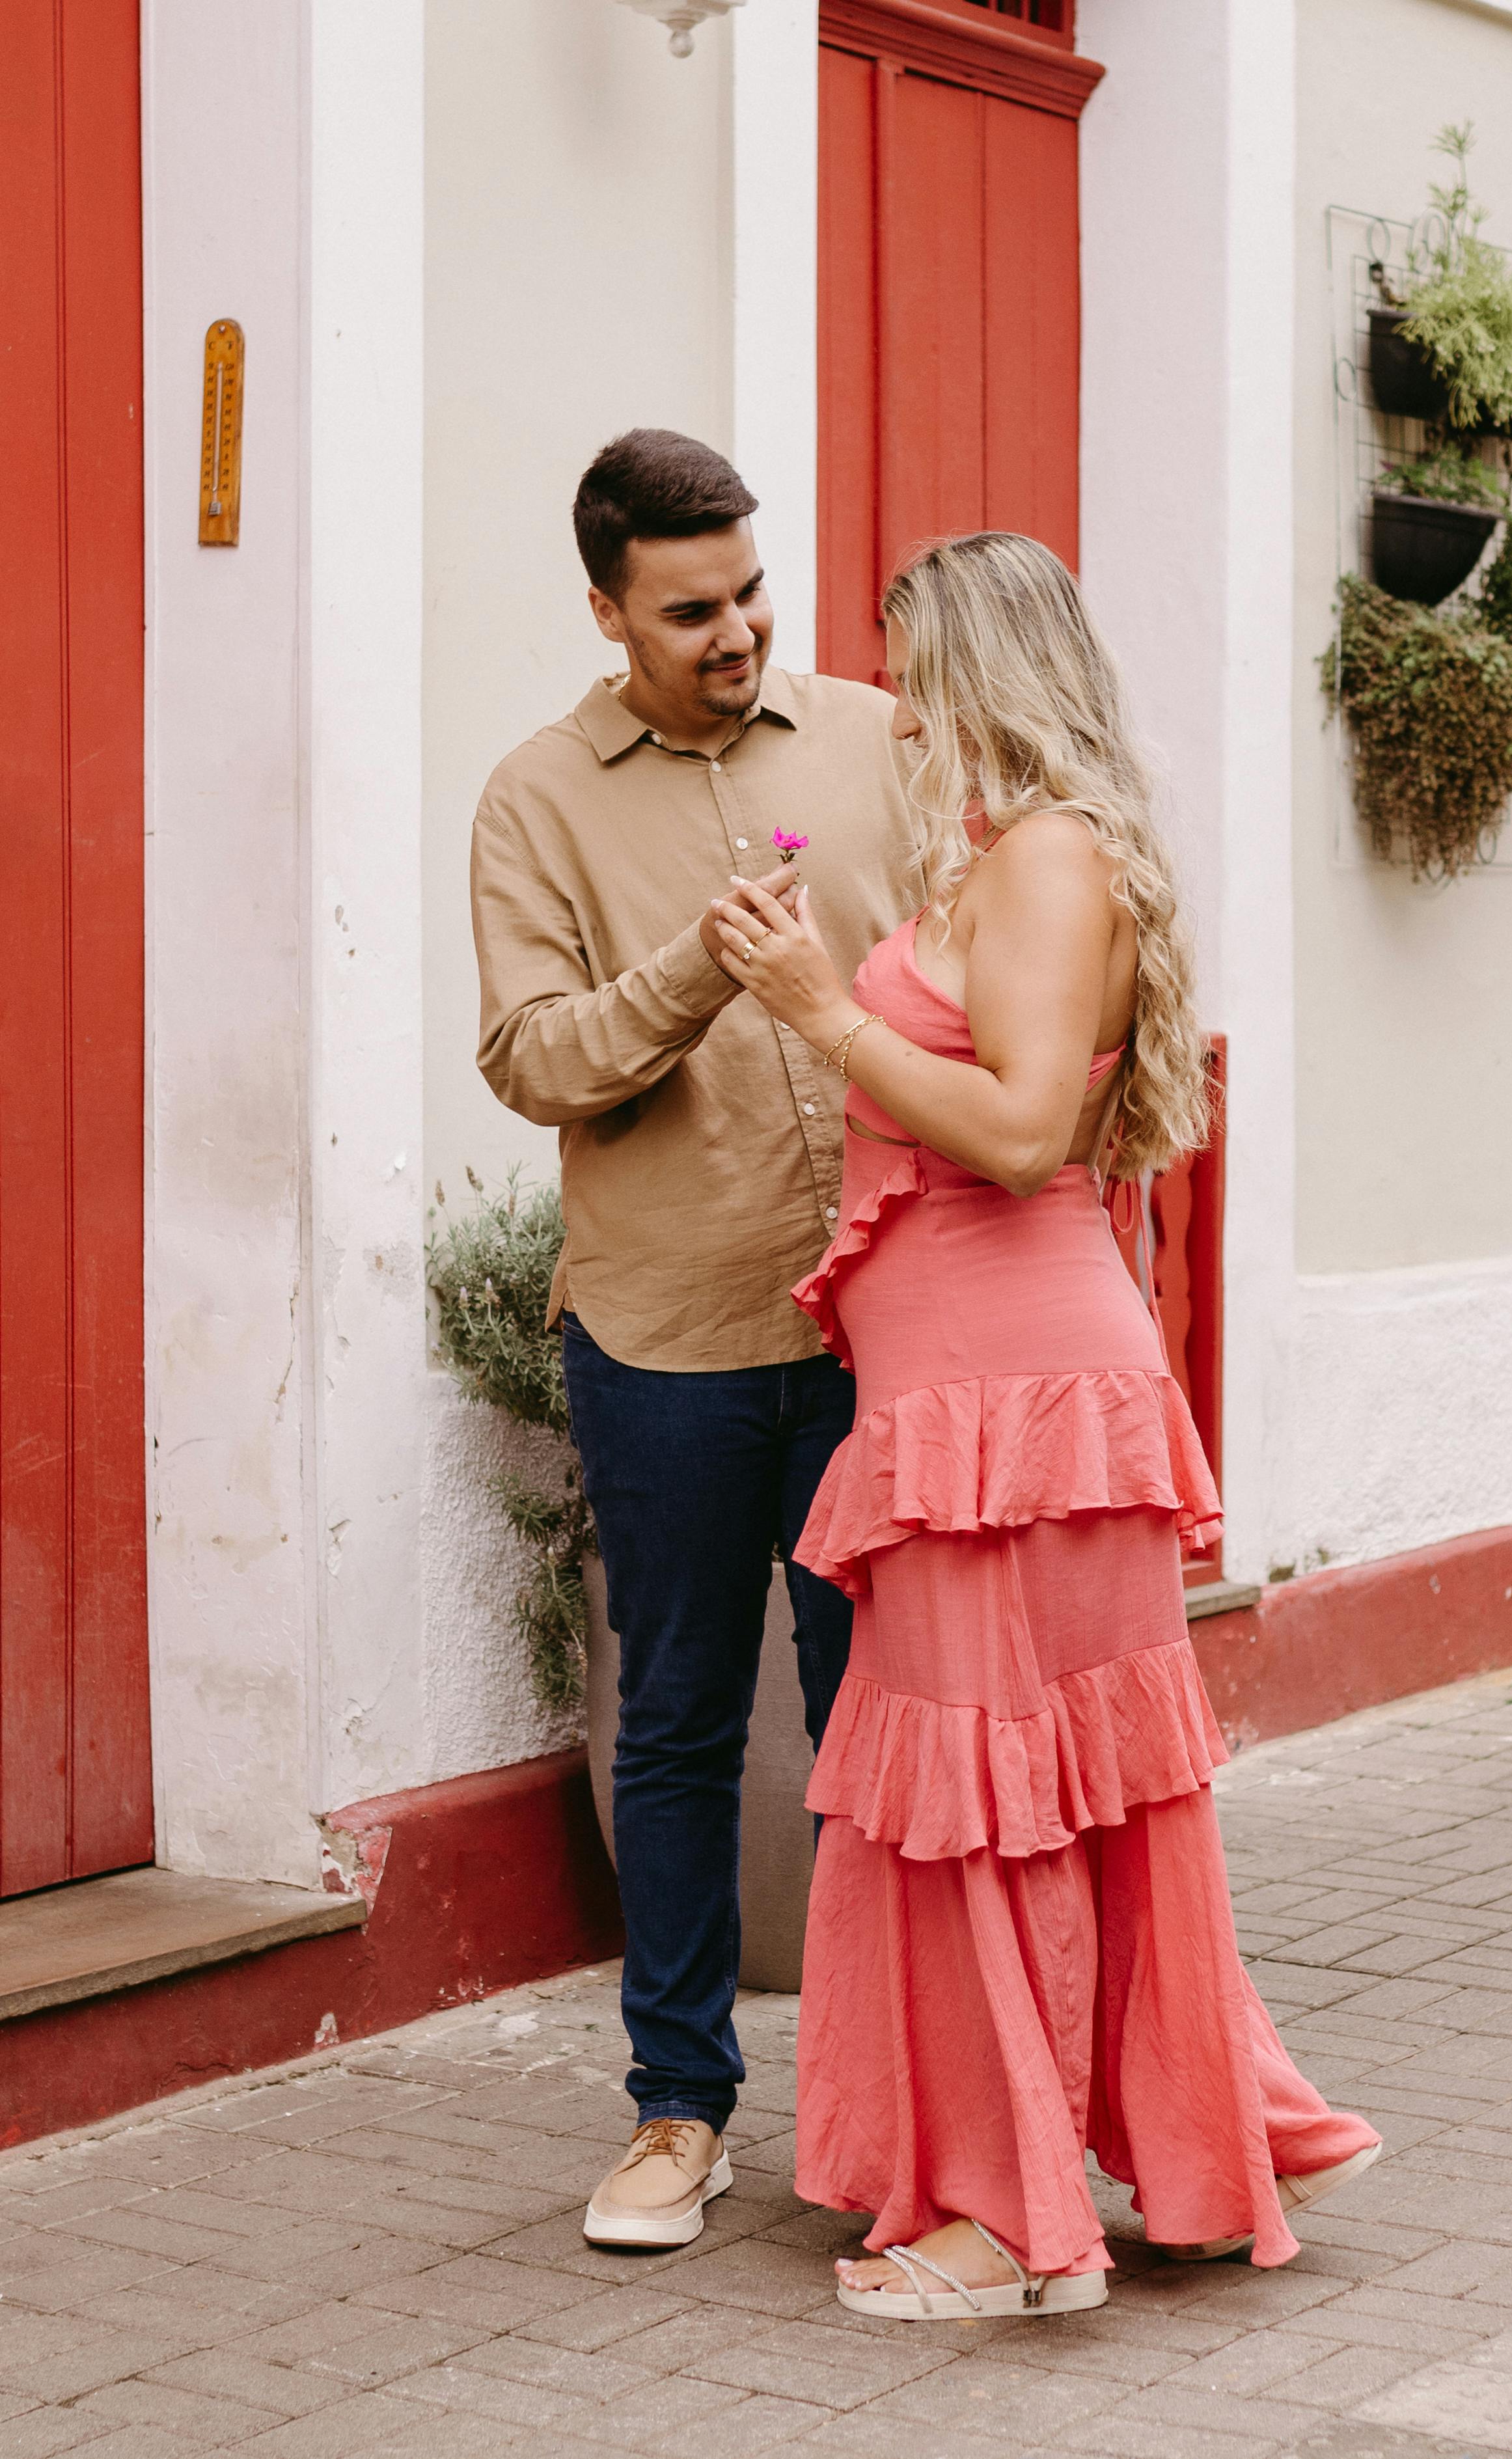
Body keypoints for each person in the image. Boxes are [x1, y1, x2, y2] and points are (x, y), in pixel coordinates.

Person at [711, 531, 1381, 2320]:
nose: (904, 701)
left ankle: (1009, 2224)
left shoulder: (1061, 858)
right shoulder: (1011, 857)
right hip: (965, 1402)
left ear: (992, 668)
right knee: (1007, 1789)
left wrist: (823, 1009)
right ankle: (1144, 2159)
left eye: (918, 663)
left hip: (1021, 1410)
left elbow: (1015, 1135)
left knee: (1001, 1789)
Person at [471, 430, 920, 2249]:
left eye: (750, 593)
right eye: (690, 609)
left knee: (889, 1717)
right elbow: (531, 1058)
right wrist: (692, 972)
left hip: (884, 1315)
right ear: (606, 607)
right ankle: (677, 2109)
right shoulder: (535, 802)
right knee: (674, 1720)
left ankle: (905, 2108)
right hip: (666, 1332)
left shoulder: (884, 738)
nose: (736, 633)